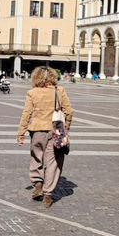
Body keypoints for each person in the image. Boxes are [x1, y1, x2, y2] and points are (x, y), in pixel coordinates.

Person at [16, 66, 73, 208]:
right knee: (53, 162)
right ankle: (48, 194)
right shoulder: (59, 91)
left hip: (37, 131)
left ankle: (38, 184)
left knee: (37, 157)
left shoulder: (32, 93)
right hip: (56, 131)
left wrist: (21, 133)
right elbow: (69, 111)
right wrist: (66, 127)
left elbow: (26, 114)